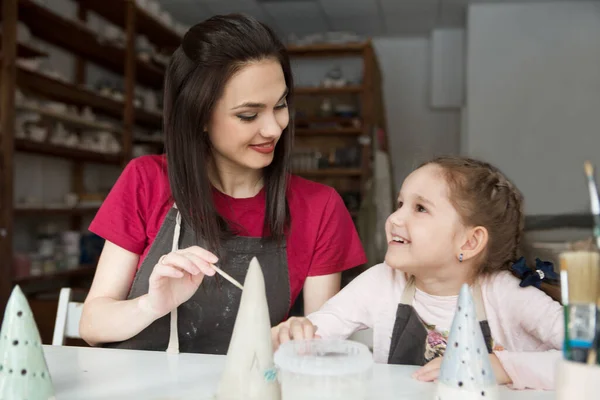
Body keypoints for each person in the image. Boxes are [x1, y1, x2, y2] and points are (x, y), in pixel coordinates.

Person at [79, 14, 366, 354]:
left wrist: (298, 337)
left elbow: (319, 349)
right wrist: (152, 305)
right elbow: (92, 327)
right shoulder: (147, 179)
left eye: (281, 105)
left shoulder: (320, 207)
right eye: (248, 115)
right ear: (198, 116)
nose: (274, 128)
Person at [272, 156, 563, 390]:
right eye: (400, 204)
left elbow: (589, 358)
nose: (395, 218)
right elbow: (323, 327)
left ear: (470, 242)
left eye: (420, 208)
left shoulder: (507, 295)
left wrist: (499, 366)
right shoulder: (381, 281)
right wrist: (296, 334)